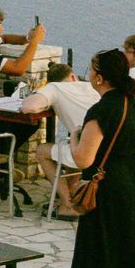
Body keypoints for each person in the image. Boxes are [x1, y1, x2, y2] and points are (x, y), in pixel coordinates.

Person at [68, 50, 135, 268]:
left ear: (99, 78)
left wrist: (74, 138)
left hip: (109, 188)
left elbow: (84, 159)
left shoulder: (102, 110)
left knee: (105, 250)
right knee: (130, 249)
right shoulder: (133, 105)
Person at [23, 62, 104, 218]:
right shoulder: (91, 86)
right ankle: (74, 195)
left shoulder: (54, 88)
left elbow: (29, 107)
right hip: (106, 151)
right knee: (70, 145)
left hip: (86, 152)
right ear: (73, 76)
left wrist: (46, 103)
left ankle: (67, 205)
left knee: (42, 151)